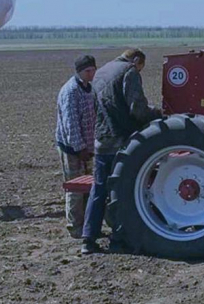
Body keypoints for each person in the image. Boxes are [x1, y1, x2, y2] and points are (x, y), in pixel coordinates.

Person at [81, 48, 162, 254]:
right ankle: (118, 238)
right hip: (121, 141)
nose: (139, 71)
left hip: (101, 141)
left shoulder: (101, 72)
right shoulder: (129, 72)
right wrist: (157, 115)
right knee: (124, 191)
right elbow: (137, 108)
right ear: (136, 60)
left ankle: (88, 239)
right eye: (140, 68)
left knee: (98, 190)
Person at [55, 55, 98, 238]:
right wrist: (79, 148)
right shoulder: (71, 92)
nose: (92, 74)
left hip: (88, 148)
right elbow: (70, 123)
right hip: (72, 148)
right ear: (79, 72)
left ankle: (88, 223)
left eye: (93, 70)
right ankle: (75, 226)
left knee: (88, 186)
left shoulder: (90, 89)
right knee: (75, 187)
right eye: (88, 71)